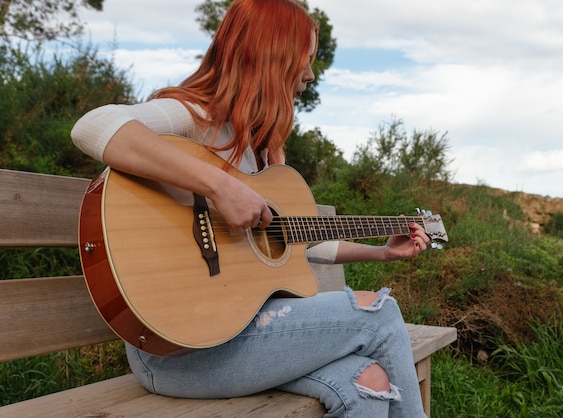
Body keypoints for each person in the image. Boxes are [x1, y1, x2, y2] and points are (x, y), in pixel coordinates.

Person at [71, 0, 431, 416]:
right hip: (179, 350)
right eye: (305, 59)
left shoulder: (262, 155)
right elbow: (92, 126)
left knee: (368, 382)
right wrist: (221, 187)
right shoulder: (196, 116)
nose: (310, 75)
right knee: (380, 314)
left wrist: (381, 252)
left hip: (247, 336)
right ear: (270, 55)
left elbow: (300, 245)